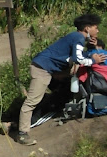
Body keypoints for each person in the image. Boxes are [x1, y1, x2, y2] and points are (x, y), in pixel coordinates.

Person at [17, 14, 107, 146]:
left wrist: (92, 47)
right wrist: (94, 60)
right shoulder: (78, 38)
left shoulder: (76, 37)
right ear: (87, 28)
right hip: (43, 69)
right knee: (32, 101)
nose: (97, 31)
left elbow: (78, 55)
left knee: (63, 91)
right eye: (95, 28)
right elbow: (78, 59)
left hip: (50, 69)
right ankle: (22, 134)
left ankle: (46, 107)